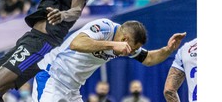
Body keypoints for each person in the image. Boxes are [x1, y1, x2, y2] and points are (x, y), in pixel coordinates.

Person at [31, 18, 186, 102]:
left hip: (73, 89)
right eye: (129, 49)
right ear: (124, 38)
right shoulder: (104, 27)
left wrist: (168, 49)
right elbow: (76, 44)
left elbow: (149, 59)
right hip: (52, 78)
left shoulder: (126, 45)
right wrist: (113, 44)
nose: (128, 53)